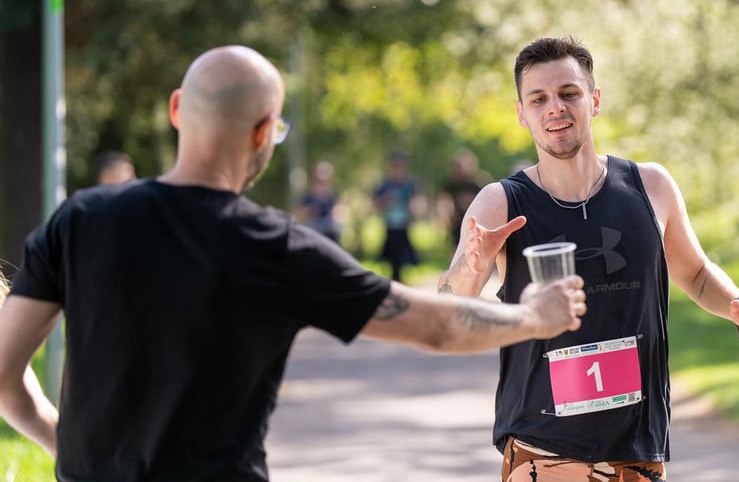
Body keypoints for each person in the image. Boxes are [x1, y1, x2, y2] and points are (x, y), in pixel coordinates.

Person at [0, 45, 588, 482]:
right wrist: (534, 318)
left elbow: (4, 374)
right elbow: (433, 325)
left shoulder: (80, 219)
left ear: (178, 109)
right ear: (263, 134)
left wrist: (68, 447)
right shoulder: (273, 246)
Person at [437, 36, 739, 482]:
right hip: (542, 447)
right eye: (538, 98)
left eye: (569, 93)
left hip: (636, 449)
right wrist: (468, 266)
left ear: (594, 100)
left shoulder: (651, 186)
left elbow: (695, 274)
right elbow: (450, 305)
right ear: (522, 113)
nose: (555, 108)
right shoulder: (500, 202)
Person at [372, 151, 419, 281]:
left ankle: (400, 278)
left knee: (404, 255)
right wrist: (385, 200)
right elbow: (375, 204)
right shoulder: (385, 185)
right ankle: (395, 278)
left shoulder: (409, 184)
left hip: (404, 225)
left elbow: (417, 203)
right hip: (390, 225)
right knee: (391, 254)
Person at [440, 149, 485, 248]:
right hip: (458, 223)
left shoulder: (477, 184)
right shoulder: (451, 185)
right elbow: (444, 203)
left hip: (475, 222)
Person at [295, 160, 342, 243]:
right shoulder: (307, 197)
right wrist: (310, 211)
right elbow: (298, 216)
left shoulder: (333, 196)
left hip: (330, 234)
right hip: (312, 233)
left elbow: (340, 216)